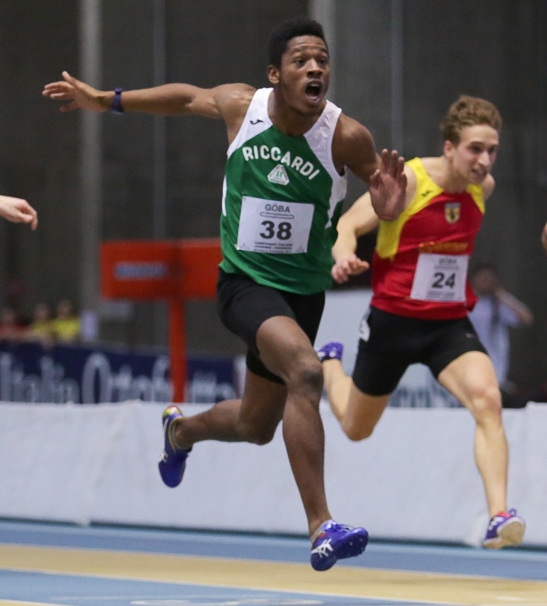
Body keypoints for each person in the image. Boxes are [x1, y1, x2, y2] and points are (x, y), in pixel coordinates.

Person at [43, 17, 407, 571]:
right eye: (301, 61)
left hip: (303, 295)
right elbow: (184, 97)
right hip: (245, 284)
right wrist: (106, 100)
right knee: (306, 371)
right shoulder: (243, 107)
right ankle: (322, 525)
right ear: (275, 74)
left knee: (256, 426)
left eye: (322, 60)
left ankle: (181, 431)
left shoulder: (346, 136)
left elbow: (383, 201)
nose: (315, 69)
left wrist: (389, 208)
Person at [317, 95, 526, 550]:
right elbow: (346, 227)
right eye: (474, 149)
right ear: (449, 148)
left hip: (448, 324)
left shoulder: (482, 187)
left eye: (492, 150)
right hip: (393, 322)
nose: (484, 161)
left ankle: (498, 515)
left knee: (488, 400)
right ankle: (330, 365)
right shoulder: (409, 180)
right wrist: (344, 257)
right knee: (355, 428)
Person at [468, 263, 533, 399]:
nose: (486, 281)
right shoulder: (464, 302)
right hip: (467, 360)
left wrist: (501, 294)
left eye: (490, 278)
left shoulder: (497, 304)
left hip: (493, 364)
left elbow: (526, 318)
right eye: (482, 277)